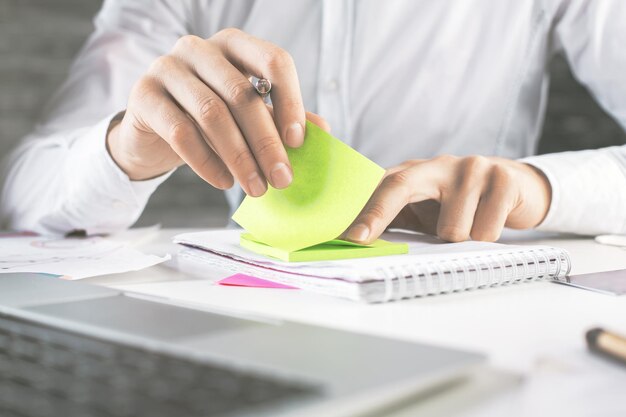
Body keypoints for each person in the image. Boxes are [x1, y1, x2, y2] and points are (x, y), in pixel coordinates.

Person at [1, 0, 625, 243]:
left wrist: (539, 189)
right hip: (258, 322)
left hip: (487, 308)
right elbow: (24, 197)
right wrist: (126, 148)